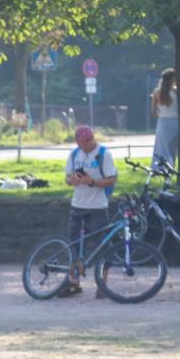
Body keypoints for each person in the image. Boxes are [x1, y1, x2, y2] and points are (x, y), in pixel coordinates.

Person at [62, 125, 117, 298]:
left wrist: (91, 182)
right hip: (78, 204)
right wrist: (73, 181)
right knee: (75, 245)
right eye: (78, 143)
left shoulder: (103, 155)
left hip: (97, 207)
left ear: (92, 139)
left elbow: (111, 179)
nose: (82, 147)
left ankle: (102, 284)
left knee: (102, 246)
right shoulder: (74, 154)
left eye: (84, 143)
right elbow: (67, 178)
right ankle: (73, 283)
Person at [150, 68, 179, 169]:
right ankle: (171, 167)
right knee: (172, 148)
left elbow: (153, 112)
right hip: (176, 122)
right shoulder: (176, 92)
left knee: (161, 148)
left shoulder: (157, 92)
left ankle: (159, 168)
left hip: (163, 122)